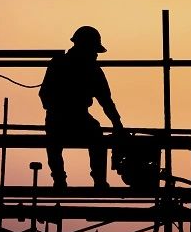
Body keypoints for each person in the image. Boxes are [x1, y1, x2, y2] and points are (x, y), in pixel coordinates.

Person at [39, 25, 126, 190]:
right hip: (70, 118)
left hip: (63, 118)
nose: (95, 55)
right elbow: (106, 101)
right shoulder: (90, 69)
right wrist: (117, 124)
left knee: (55, 138)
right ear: (86, 47)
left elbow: (44, 95)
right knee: (95, 136)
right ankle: (97, 181)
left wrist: (117, 123)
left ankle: (60, 180)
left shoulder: (60, 63)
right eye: (94, 50)